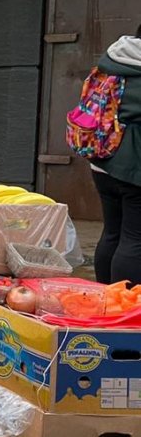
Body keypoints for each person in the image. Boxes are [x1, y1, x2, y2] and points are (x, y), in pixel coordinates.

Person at [90, 27, 141, 284]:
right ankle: (127, 304)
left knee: (112, 232)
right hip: (132, 167)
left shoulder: (114, 60)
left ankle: (104, 296)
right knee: (134, 239)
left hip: (102, 160)